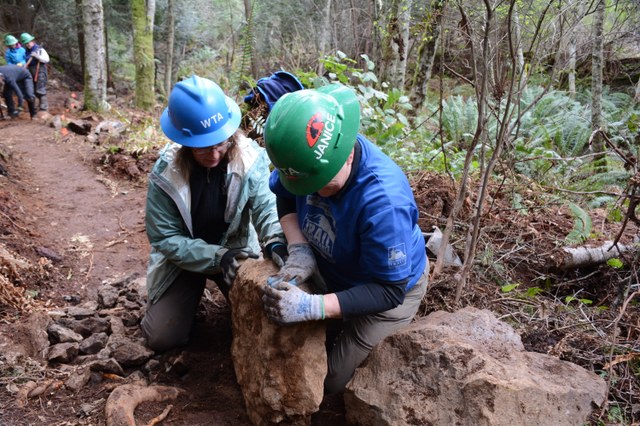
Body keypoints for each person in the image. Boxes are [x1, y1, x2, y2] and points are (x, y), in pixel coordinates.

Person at [260, 84, 429, 394]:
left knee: (331, 381)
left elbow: (389, 290)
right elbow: (284, 195)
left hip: (386, 289)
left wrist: (313, 307)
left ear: (348, 152)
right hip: (334, 265)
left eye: (321, 184)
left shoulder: (383, 202)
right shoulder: (303, 157)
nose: (312, 189)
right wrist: (299, 249)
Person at [140, 75, 288, 352]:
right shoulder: (165, 173)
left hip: (237, 251)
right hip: (181, 259)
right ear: (184, 141)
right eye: (203, 147)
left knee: (265, 318)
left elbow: (267, 209)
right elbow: (164, 237)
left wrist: (276, 241)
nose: (215, 154)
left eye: (221, 142)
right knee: (162, 337)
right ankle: (185, 295)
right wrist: (216, 258)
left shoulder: (249, 159)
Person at [20, 32, 49, 112]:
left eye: (28, 42)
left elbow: (46, 59)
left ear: (32, 41)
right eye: (26, 43)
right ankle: (34, 108)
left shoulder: (39, 49)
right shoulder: (26, 52)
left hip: (40, 71)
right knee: (32, 90)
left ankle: (44, 108)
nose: (27, 45)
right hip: (30, 72)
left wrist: (38, 57)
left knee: (40, 89)